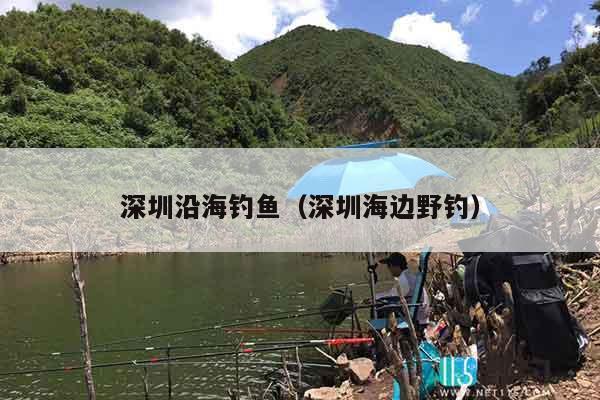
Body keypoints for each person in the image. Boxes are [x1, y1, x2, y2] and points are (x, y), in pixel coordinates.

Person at [377, 252, 431, 326]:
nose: (389, 269)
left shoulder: (403, 279)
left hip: (416, 318)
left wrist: (375, 297)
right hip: (421, 315)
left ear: (394, 266)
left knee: (379, 308)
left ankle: (379, 331)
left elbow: (391, 296)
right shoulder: (409, 276)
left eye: (389, 266)